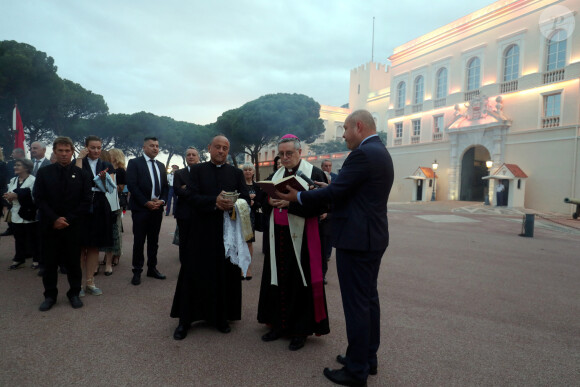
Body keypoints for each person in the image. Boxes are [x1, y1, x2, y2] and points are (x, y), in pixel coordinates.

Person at [276, 110, 394, 386]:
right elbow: (348, 189)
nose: (342, 134)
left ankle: (356, 371)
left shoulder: (363, 154)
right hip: (371, 237)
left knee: (357, 306)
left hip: (357, 240)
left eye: (345, 129)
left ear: (359, 126)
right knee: (368, 301)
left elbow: (335, 194)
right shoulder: (379, 151)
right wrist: (325, 186)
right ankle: (367, 358)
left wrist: (300, 195)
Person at [170, 135, 250, 340]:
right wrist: (214, 202)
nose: (221, 151)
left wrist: (234, 204)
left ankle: (221, 317)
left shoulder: (236, 172)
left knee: (223, 273)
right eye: (217, 147)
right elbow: (189, 196)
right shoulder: (196, 171)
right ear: (209, 148)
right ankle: (185, 320)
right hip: (200, 230)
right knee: (193, 272)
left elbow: (245, 199)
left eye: (225, 148)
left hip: (227, 232)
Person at [257, 134, 330, 351]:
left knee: (300, 282)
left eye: (289, 153)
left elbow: (322, 205)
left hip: (303, 238)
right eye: (282, 154)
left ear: (300, 152)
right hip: (278, 237)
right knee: (278, 280)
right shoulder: (275, 174)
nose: (285, 157)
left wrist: (291, 205)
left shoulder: (314, 174)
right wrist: (269, 200)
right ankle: (278, 325)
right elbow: (264, 200)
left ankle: (300, 330)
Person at [34, 136, 92, 311]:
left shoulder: (82, 174)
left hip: (72, 226)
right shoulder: (44, 173)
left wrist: (67, 219)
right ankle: (50, 295)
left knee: (74, 263)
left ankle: (74, 293)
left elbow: (86, 200)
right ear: (55, 152)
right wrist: (54, 219)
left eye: (67, 151)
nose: (64, 154)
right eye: (60, 151)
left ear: (72, 152)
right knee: (49, 263)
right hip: (50, 225)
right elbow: (39, 198)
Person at [126, 136, 168, 286]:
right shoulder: (134, 163)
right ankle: (137, 271)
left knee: (153, 240)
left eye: (157, 146)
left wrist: (162, 201)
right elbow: (132, 185)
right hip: (141, 209)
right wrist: (146, 202)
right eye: (151, 145)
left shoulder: (161, 165)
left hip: (157, 209)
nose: (155, 148)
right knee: (139, 241)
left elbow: (165, 187)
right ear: (144, 147)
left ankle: (152, 268)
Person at [75, 136, 114, 296]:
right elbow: (75, 182)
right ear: (85, 147)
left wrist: (105, 181)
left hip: (99, 206)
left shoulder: (106, 165)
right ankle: (77, 284)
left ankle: (90, 282)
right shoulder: (77, 163)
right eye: (93, 147)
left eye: (99, 147)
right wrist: (78, 159)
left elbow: (110, 189)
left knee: (94, 246)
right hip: (81, 207)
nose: (96, 150)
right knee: (79, 246)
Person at [3, 158, 38, 269]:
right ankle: (19, 259)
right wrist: (8, 197)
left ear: (26, 167)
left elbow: (34, 197)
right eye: (15, 165)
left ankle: (37, 259)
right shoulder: (13, 180)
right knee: (18, 237)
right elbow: (10, 193)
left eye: (18, 165)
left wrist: (17, 195)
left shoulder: (33, 180)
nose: (15, 167)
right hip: (16, 213)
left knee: (33, 238)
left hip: (29, 212)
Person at [100, 148, 127, 273]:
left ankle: (117, 254)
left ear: (115, 156)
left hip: (116, 202)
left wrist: (107, 181)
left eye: (110, 154)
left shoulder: (121, 171)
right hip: (107, 202)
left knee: (116, 230)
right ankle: (108, 255)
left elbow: (121, 188)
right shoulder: (107, 168)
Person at [173, 147, 200, 265]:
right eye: (188, 154)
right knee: (183, 240)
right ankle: (184, 263)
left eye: (194, 154)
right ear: (185, 157)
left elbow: (206, 190)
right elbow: (178, 191)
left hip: (200, 212)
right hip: (183, 213)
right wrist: (195, 191)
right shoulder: (179, 173)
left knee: (198, 239)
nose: (191, 156)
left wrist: (187, 187)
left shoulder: (203, 173)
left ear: (198, 157)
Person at [242, 163, 263, 280]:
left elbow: (260, 202)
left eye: (250, 169)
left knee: (249, 243)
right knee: (240, 242)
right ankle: (241, 267)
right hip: (240, 217)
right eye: (245, 170)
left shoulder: (257, 187)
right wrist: (247, 199)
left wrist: (255, 202)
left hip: (251, 218)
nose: (248, 172)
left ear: (253, 172)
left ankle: (248, 268)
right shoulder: (239, 185)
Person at [1, 147, 25, 237]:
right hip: (10, 186)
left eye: (14, 153)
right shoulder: (10, 163)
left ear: (20, 154)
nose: (12, 154)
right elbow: (6, 175)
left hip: (23, 186)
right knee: (10, 207)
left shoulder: (27, 163)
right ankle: (11, 228)